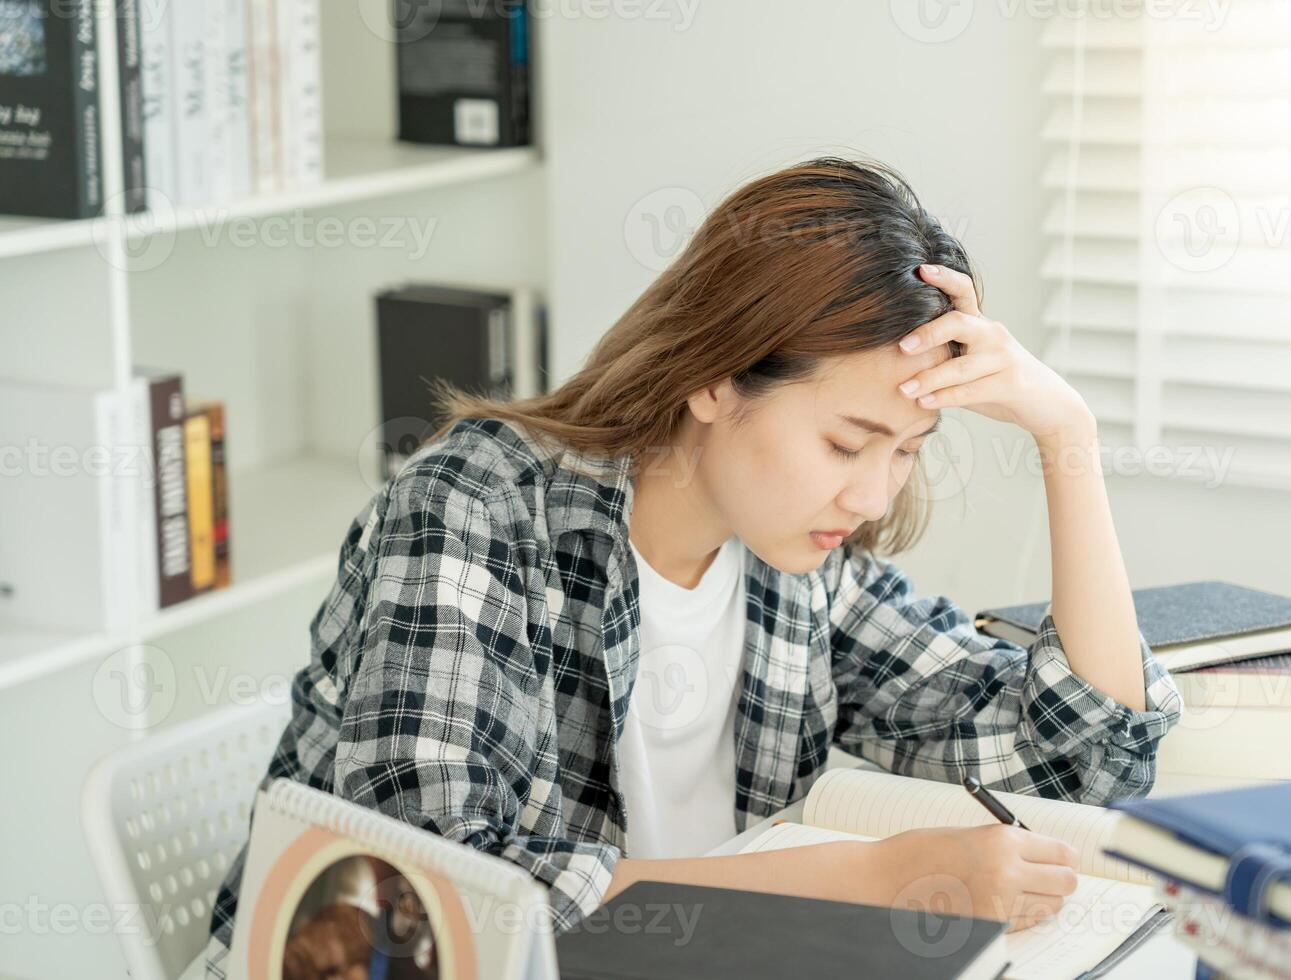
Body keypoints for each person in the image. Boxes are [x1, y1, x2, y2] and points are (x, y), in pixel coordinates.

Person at [203, 157, 1180, 978]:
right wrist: (873, 876)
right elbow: (436, 910)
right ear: (716, 376)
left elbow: (1077, 758)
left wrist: (1068, 436)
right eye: (848, 442)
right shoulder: (476, 506)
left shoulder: (793, 557)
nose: (875, 496)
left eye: (908, 448)